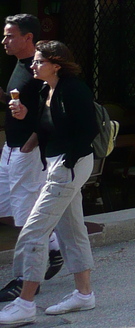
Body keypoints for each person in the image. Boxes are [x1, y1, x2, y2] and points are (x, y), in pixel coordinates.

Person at [0, 41, 99, 325]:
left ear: (56, 64)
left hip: (69, 164)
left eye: (39, 61)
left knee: (33, 231)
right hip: (59, 164)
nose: (33, 65)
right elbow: (49, 126)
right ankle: (84, 294)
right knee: (71, 229)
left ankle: (25, 302)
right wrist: (26, 118)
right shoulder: (47, 89)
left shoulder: (74, 89)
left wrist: (67, 163)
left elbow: (88, 129)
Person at [0, 16, 62, 304]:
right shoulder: (18, 66)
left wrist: (30, 143)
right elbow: (19, 103)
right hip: (11, 148)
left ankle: (27, 280)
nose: (4, 41)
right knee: (10, 208)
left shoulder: (41, 71)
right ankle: (53, 250)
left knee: (27, 216)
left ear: (28, 38)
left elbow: (49, 111)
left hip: (26, 151)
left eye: (10, 35)